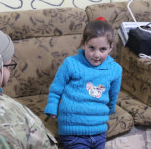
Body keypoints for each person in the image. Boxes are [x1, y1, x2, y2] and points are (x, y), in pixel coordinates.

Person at [44, 17, 122, 149]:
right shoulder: (71, 63)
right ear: (83, 44)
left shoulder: (115, 69)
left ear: (111, 48)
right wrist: (52, 105)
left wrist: (111, 109)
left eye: (102, 49)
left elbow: (113, 94)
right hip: (72, 130)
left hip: (99, 130)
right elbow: (57, 87)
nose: (96, 54)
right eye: (91, 48)